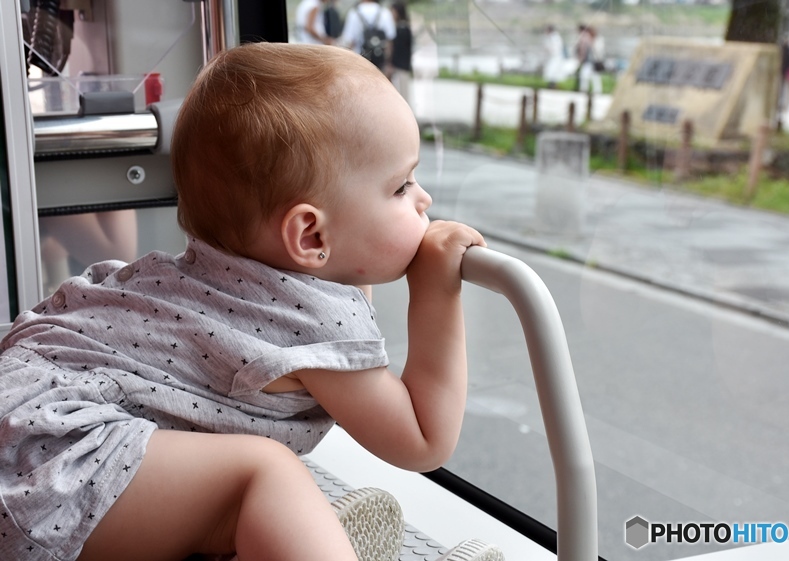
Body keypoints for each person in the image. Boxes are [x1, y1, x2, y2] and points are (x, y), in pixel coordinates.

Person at [0, 42, 503, 561]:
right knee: (266, 477)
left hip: (27, 425)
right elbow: (422, 438)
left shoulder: (218, 276)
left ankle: (275, 536)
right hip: (48, 467)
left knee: (240, 488)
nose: (423, 199)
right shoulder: (307, 321)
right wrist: (436, 289)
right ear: (310, 236)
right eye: (401, 186)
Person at [340, 0, 396, 74]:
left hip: (360, 63)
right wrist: (388, 63)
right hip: (380, 64)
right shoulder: (385, 12)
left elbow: (349, 41)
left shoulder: (354, 13)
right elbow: (390, 42)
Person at [387, 2, 413, 105]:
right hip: (403, 66)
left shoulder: (401, 29)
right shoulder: (404, 27)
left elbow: (399, 50)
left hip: (400, 67)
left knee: (401, 97)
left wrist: (392, 63)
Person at [541, 24, 565, 89]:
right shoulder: (552, 37)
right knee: (551, 72)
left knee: (553, 72)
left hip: (554, 57)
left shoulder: (554, 38)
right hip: (552, 57)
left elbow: (554, 48)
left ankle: (553, 85)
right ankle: (552, 85)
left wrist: (548, 49)